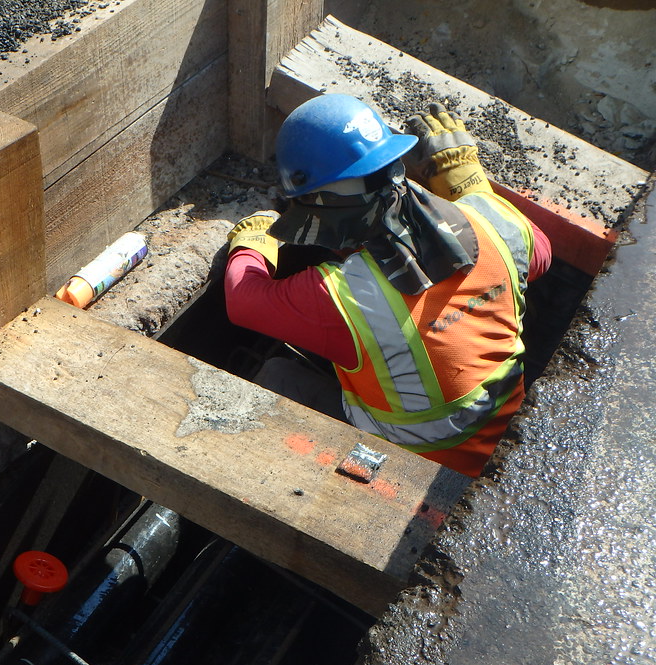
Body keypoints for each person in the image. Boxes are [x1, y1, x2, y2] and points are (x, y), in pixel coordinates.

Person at [223, 94, 552, 477]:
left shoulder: (346, 295)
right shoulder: (496, 222)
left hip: (416, 476)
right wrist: (463, 177)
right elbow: (539, 252)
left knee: (277, 376)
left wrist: (253, 240)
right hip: (507, 450)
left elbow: (243, 300)